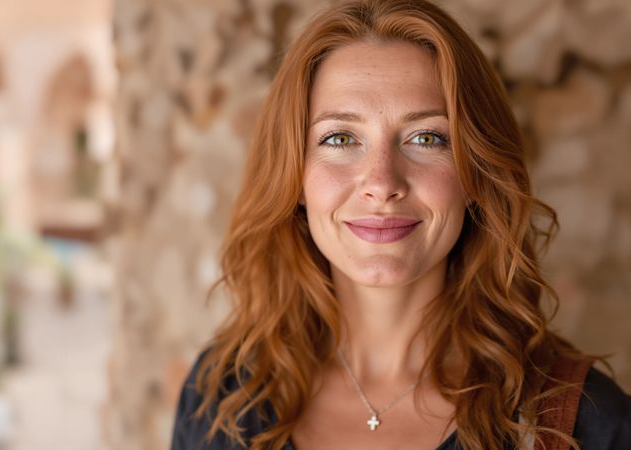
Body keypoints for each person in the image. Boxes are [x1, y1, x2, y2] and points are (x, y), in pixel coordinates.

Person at [171, 1, 631, 449]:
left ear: (476, 175)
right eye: (340, 138)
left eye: (425, 137)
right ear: (295, 176)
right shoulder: (220, 399)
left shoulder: (587, 425)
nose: (381, 183)